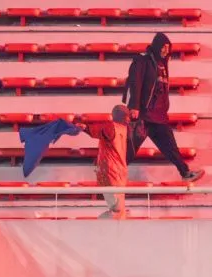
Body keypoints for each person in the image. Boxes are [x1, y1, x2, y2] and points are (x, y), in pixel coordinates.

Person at [124, 33, 204, 183]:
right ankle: (110, 174)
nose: (166, 50)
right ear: (157, 45)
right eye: (164, 46)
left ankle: (185, 173)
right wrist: (134, 106)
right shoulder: (143, 60)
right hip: (143, 115)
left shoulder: (163, 65)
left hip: (159, 116)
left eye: (168, 47)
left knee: (170, 147)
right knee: (129, 149)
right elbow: (135, 83)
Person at [75, 104, 130, 219]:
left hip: (110, 172)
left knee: (117, 210)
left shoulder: (112, 127)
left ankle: (97, 226)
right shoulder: (125, 129)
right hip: (119, 172)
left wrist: (85, 128)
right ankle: (104, 229)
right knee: (119, 209)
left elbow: (97, 131)